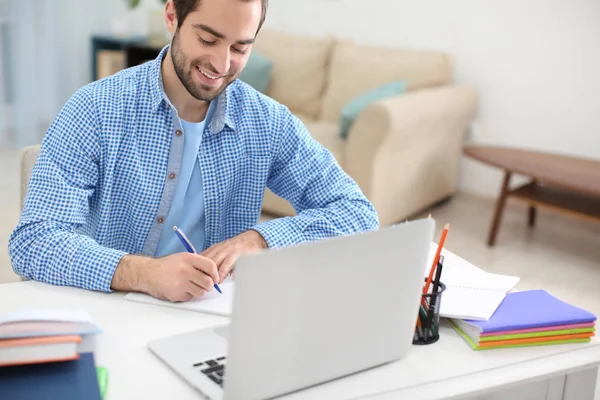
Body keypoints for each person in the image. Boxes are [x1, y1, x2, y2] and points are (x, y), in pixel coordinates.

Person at [8, 0, 379, 303]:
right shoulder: (95, 110)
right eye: (208, 39)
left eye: (240, 48)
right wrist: (146, 274)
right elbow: (34, 241)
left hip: (213, 321)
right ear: (172, 17)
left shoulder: (267, 122)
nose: (221, 65)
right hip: (109, 312)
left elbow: (356, 213)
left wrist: (260, 239)